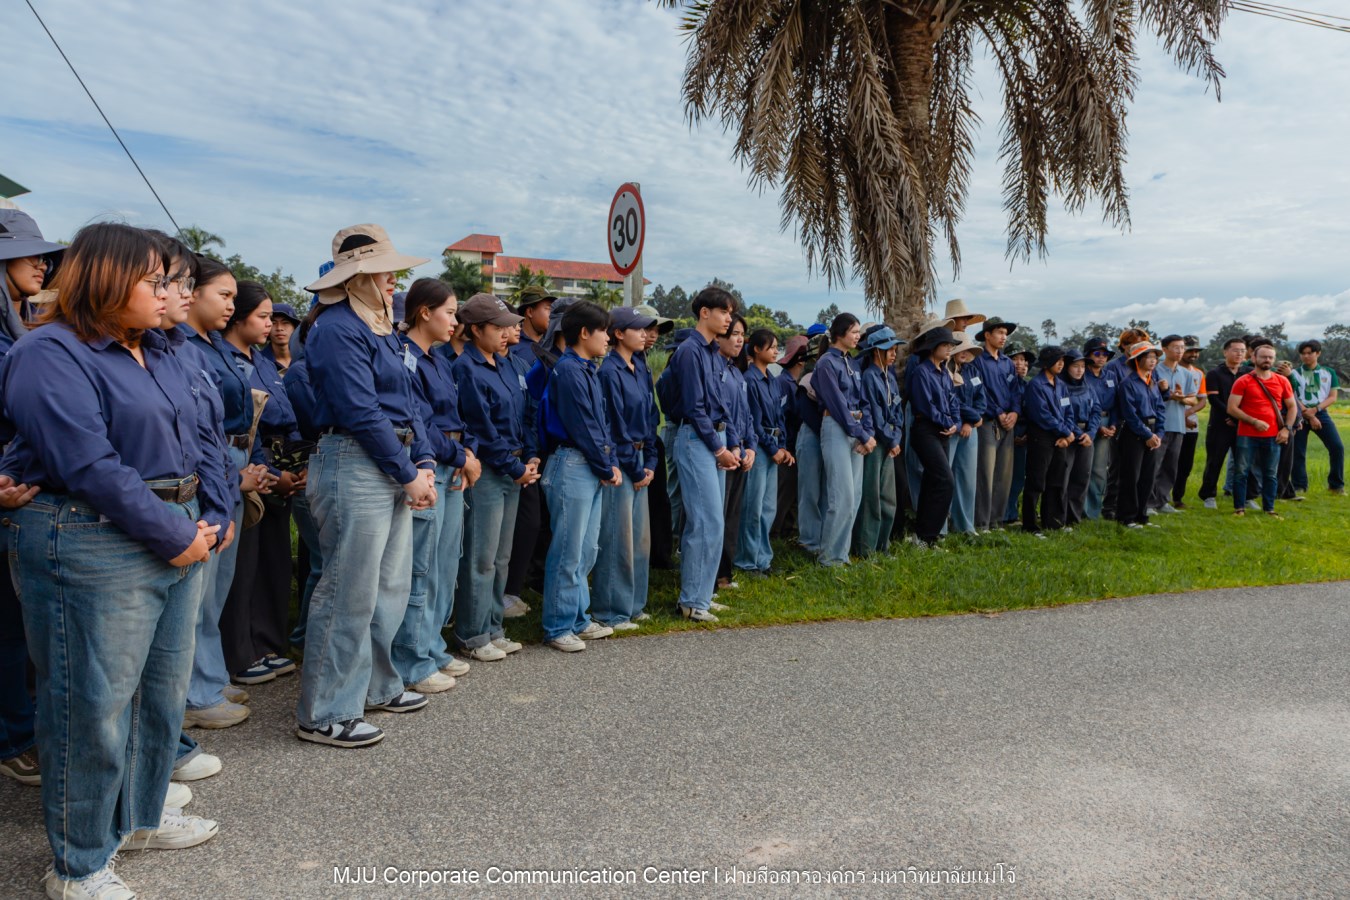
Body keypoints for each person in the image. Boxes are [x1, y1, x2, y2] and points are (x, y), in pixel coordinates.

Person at [3, 223, 222, 898]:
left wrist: (216, 511)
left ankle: (137, 818)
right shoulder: (52, 352)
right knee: (89, 707)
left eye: (172, 281)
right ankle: (78, 864)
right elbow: (89, 464)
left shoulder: (158, 349)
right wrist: (173, 533)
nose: (168, 293)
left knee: (158, 698)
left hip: (172, 527)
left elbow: (200, 430)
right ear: (104, 278)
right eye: (155, 280)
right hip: (94, 535)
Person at [298, 224, 437, 748]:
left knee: (388, 586)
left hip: (390, 457)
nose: (395, 281)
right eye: (386, 272)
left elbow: (408, 405)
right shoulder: (336, 328)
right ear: (359, 276)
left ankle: (375, 686)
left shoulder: (380, 329)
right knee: (348, 590)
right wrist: (407, 472)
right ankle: (326, 711)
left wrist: (420, 459)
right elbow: (359, 408)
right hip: (355, 460)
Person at [182, 255, 270, 730]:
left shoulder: (212, 345)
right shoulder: (180, 347)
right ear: (191, 292)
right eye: (225, 295)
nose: (232, 306)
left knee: (215, 589)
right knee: (197, 590)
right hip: (211, 467)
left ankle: (209, 677)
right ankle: (195, 693)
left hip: (232, 458)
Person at [0, 208, 63, 787]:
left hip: (18, 494)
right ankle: (16, 739)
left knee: (21, 632)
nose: (42, 262)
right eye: (29, 253)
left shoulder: (21, 329)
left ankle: (25, 731)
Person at [392, 279, 479, 693]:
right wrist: (460, 457)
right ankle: (411, 660)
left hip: (453, 467)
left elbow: (457, 417)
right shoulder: (404, 356)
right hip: (430, 468)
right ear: (424, 311)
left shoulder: (439, 359)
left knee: (445, 565)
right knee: (420, 567)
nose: (455, 320)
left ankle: (432, 647)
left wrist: (468, 455)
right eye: (449, 311)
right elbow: (421, 422)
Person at [220, 281, 304, 687]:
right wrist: (269, 471)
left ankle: (267, 643)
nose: (272, 325)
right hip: (254, 464)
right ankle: (240, 652)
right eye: (264, 317)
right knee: (242, 569)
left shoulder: (263, 360)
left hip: (279, 465)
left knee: (272, 562)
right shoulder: (225, 359)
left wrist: (290, 471)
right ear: (238, 317)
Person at [453, 294, 538, 660]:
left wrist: (530, 455)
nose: (507, 333)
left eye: (509, 327)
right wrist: (514, 467)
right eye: (498, 327)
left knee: (501, 556)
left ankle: (493, 627)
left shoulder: (509, 365)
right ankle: (472, 634)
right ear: (475, 330)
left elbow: (526, 414)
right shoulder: (466, 368)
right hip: (490, 471)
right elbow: (482, 429)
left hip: (515, 468)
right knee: (480, 556)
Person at [538, 301, 620, 651]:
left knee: (586, 549)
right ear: (584, 333)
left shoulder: (587, 368)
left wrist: (608, 461)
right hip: (572, 463)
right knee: (568, 551)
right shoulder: (570, 370)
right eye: (603, 331)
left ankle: (577, 618)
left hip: (588, 464)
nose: (608, 338)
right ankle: (558, 626)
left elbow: (602, 424)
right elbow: (583, 426)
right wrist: (606, 465)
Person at [666, 286, 738, 622]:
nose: (728, 318)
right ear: (704, 313)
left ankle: (702, 594)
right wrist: (719, 448)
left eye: (730, 312)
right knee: (704, 522)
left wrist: (730, 442)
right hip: (697, 439)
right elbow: (695, 408)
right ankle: (692, 601)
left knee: (714, 522)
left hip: (713, 438)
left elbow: (719, 403)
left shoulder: (711, 351)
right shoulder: (690, 351)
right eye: (723, 311)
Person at [593, 306, 659, 629]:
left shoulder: (641, 367)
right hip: (622, 464)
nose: (645, 333)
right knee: (619, 540)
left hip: (640, 462)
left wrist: (650, 462)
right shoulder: (609, 371)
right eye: (638, 328)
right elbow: (615, 426)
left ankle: (634, 605)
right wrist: (635, 468)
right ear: (619, 333)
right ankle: (610, 609)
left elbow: (649, 418)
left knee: (640, 541)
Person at [813, 313, 874, 566]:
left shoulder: (852, 363)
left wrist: (866, 432)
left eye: (859, 331)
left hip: (855, 430)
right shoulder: (826, 363)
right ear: (839, 334)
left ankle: (842, 554)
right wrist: (860, 433)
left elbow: (863, 401)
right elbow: (837, 405)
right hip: (837, 428)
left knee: (855, 496)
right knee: (841, 497)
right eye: (854, 331)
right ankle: (829, 558)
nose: (858, 336)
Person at [738, 328, 793, 572]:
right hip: (759, 449)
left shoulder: (772, 379)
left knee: (768, 507)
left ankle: (763, 559)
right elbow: (754, 422)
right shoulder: (749, 380)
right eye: (770, 347)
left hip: (773, 447)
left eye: (776, 347)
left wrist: (783, 447)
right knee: (754, 507)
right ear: (757, 350)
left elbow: (779, 416)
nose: (775, 351)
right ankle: (748, 559)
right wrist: (772, 449)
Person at [1228, 343, 1297, 516]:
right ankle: (1239, 508)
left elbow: (1292, 407)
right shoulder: (1243, 380)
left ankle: (1269, 509)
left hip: (1273, 435)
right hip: (1246, 434)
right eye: (1263, 356)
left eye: (1270, 357)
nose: (1267, 360)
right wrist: (1253, 421)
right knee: (1241, 472)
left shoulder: (1282, 381)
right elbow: (1232, 408)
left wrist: (1286, 429)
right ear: (1253, 358)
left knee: (1271, 473)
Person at [907, 326, 960, 547]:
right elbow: (925, 406)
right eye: (946, 345)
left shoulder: (944, 373)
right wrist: (948, 422)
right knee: (945, 480)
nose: (950, 349)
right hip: (925, 430)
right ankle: (927, 534)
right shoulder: (921, 372)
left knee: (932, 481)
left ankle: (924, 537)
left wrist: (955, 422)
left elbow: (953, 402)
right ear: (933, 348)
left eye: (950, 345)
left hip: (943, 432)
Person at [852, 326, 903, 555]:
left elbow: (897, 412)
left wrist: (897, 436)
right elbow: (875, 413)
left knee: (888, 497)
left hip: (891, 442)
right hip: (878, 442)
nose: (893, 354)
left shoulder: (890, 377)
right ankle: (866, 548)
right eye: (889, 350)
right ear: (875, 352)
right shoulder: (870, 377)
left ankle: (883, 545)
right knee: (871, 497)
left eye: (895, 349)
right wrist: (891, 439)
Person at [633, 304, 676, 568]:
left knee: (659, 501)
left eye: (656, 329)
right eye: (648, 328)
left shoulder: (644, 361)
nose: (653, 334)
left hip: (651, 439)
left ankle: (659, 555)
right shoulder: (627, 363)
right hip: (636, 445)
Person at [716, 315, 755, 587]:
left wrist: (750, 445)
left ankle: (725, 575)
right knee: (717, 516)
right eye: (734, 333)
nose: (739, 339)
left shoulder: (735, 371)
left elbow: (746, 415)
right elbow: (722, 414)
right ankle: (714, 576)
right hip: (726, 452)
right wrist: (733, 445)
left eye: (742, 334)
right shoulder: (714, 369)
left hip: (740, 451)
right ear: (719, 336)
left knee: (732, 516)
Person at [971, 316, 1020, 531]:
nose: (1003, 337)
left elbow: (1016, 391)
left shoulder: (1008, 363)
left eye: (1005, 333)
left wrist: (1015, 412)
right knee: (985, 473)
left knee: (1004, 474)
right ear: (987, 335)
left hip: (1008, 424)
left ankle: (996, 520)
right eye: (999, 333)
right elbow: (979, 391)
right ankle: (981, 522)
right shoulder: (977, 361)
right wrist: (998, 412)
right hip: (987, 423)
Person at [1020, 345, 1075, 536]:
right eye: (1057, 360)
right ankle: (1029, 525)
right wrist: (1064, 432)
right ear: (1047, 364)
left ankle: (1053, 521)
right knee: (1036, 481)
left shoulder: (1061, 385)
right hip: (1041, 437)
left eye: (1062, 361)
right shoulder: (1035, 385)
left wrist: (1066, 433)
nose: (1061, 364)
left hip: (1060, 438)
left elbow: (1068, 411)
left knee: (1056, 481)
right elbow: (1041, 415)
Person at [1101, 328, 1152, 520]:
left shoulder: (1146, 368)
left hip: (1142, 423)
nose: (1136, 347)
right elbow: (1110, 395)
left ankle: (1135, 508)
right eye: (1132, 344)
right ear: (1123, 345)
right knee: (1117, 466)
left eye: (1141, 344)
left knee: (1138, 470)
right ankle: (1110, 506)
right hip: (1121, 421)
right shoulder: (1114, 367)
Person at [1147, 335, 1201, 515]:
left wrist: (1181, 397)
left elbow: (1193, 400)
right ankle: (1148, 502)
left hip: (1178, 425)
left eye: (1182, 348)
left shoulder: (1186, 373)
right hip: (1159, 425)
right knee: (1154, 464)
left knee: (1171, 466)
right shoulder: (1155, 370)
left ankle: (1162, 501)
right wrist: (1167, 394)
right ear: (1164, 349)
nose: (1180, 351)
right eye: (1176, 347)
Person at [1115, 341, 1166, 529]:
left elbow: (1160, 409)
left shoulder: (1152, 383)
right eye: (1148, 357)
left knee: (1147, 476)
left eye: (1155, 357)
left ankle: (1142, 515)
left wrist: (1158, 433)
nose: (1153, 361)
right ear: (1138, 360)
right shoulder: (1128, 384)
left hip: (1153, 433)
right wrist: (1146, 435)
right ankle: (1126, 516)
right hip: (1134, 433)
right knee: (1131, 476)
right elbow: (1129, 414)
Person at [1198, 337, 1247, 509]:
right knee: (1215, 461)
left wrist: (1239, 417)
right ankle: (1208, 495)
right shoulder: (1214, 374)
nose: (1239, 354)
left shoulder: (1247, 374)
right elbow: (1214, 399)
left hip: (1242, 424)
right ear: (1225, 352)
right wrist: (1231, 415)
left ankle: (1246, 497)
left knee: (1243, 462)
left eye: (1242, 350)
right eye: (1235, 350)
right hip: (1220, 424)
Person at [1291, 340, 1344, 496]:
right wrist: (1306, 411)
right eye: (1303, 353)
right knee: (1297, 451)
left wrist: (1315, 410)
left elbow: (1333, 397)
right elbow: (1291, 395)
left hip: (1321, 413)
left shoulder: (1329, 372)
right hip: (1299, 413)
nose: (1306, 356)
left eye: (1310, 353)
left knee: (1337, 447)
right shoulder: (1294, 373)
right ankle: (1299, 486)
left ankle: (1336, 485)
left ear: (1318, 353)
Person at [945, 332, 984, 535]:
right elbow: (951, 400)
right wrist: (968, 418)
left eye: (968, 349)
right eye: (961, 348)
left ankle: (965, 526)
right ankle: (942, 526)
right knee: (945, 477)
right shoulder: (945, 371)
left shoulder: (973, 371)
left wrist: (971, 421)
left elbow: (981, 399)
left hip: (971, 429)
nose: (965, 352)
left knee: (968, 479)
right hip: (951, 427)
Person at [771, 335, 808, 539]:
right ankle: (774, 531)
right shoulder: (784, 384)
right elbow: (782, 417)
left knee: (792, 490)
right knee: (783, 491)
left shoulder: (793, 382)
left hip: (792, 445)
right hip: (786, 446)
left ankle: (788, 530)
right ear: (800, 360)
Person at [1081, 337, 1118, 519]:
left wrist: (1113, 424)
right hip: (1086, 424)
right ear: (1088, 355)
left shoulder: (1110, 376)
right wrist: (1095, 428)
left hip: (1106, 421)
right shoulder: (1081, 375)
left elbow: (1117, 403)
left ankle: (1094, 512)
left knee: (1099, 470)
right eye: (1097, 354)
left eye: (1105, 355)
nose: (1101, 358)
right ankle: (1080, 508)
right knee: (1083, 468)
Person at [1061, 349, 1099, 526]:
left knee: (1082, 477)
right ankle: (1060, 516)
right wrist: (1077, 433)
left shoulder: (1088, 386)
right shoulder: (1061, 386)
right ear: (1067, 367)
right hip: (1068, 435)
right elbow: (1063, 413)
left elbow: (1096, 410)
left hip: (1087, 437)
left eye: (1083, 366)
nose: (1079, 370)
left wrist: (1091, 433)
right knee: (1064, 478)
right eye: (1075, 366)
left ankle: (1074, 518)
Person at [1171, 337, 1208, 507]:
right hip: (1172, 423)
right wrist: (1181, 418)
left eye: (1196, 351)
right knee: (1168, 462)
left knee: (1185, 464)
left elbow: (1201, 400)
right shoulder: (1170, 369)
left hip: (1191, 426)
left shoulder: (1199, 373)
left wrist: (1188, 414)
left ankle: (1178, 498)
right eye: (1189, 350)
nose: (1193, 354)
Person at [1002, 345, 1035, 524]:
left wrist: (1027, 434)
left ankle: (1012, 512)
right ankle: (1003, 513)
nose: (1020, 364)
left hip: (1025, 435)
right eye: (1016, 359)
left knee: (1018, 477)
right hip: (1007, 431)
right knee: (1003, 476)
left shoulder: (1029, 385)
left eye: (1023, 360)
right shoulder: (1005, 384)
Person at [260, 302, 299, 374]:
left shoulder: (307, 359)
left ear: (295, 328)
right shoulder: (257, 361)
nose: (279, 328)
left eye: (285, 323)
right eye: (273, 323)